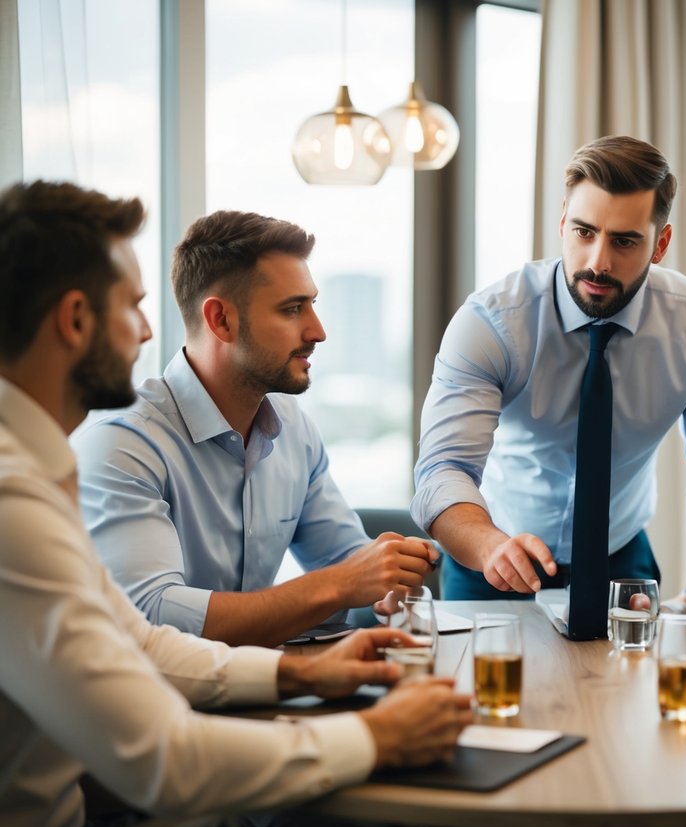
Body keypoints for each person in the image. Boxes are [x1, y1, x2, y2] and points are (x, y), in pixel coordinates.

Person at [0, 180, 473, 827]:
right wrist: (376, 736)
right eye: (131, 306)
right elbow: (162, 757)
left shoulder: (36, 475)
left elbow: (140, 644)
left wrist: (300, 673)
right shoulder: (15, 500)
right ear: (75, 319)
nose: (144, 331)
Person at [73, 209, 438, 647]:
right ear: (221, 320)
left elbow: (343, 558)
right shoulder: (123, 443)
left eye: (312, 305)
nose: (317, 331)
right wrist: (342, 584)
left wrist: (387, 578)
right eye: (292, 309)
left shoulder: (293, 428)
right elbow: (153, 614)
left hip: (271, 686)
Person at [412, 135, 686, 604]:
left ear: (661, 244)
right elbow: (443, 469)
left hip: (622, 556)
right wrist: (489, 546)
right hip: (492, 553)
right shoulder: (491, 322)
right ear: (562, 224)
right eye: (584, 232)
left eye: (625, 241)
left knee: (630, 680)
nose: (598, 262)